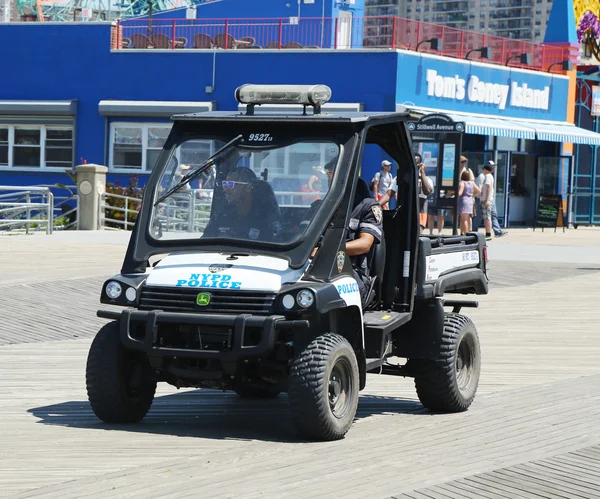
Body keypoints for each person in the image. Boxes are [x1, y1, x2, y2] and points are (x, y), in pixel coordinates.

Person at [204, 167, 282, 242]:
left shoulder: (265, 219)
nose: (225, 189)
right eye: (225, 184)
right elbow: (205, 241)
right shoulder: (223, 215)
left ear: (248, 187)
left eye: (231, 184)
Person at [347, 178, 383, 307]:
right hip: (314, 266)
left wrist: (326, 251)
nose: (331, 179)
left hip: (350, 271)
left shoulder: (367, 206)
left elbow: (364, 245)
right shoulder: (321, 206)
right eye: (329, 175)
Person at [458, 169, 480, 235]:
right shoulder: (472, 183)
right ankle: (462, 233)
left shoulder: (462, 183)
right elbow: (479, 191)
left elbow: (460, 193)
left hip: (463, 201)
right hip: (470, 202)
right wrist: (473, 196)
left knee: (464, 219)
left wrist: (454, 194)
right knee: (466, 218)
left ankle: (466, 233)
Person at [479, 161, 495, 241]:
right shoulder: (490, 176)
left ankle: (488, 234)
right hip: (487, 199)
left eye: (483, 169)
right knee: (486, 217)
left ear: (486, 170)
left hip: (487, 200)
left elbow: (488, 188)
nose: (483, 171)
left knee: (487, 217)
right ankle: (488, 233)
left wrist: (486, 200)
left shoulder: (488, 176)